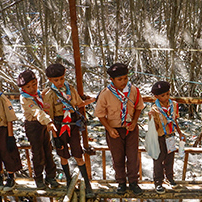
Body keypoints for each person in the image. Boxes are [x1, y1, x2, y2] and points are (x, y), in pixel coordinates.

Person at [42, 63, 95, 192]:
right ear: (50, 80)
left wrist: (92, 100)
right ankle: (68, 181)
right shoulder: (49, 94)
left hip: (73, 123)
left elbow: (78, 103)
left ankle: (87, 183)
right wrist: (56, 138)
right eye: (56, 80)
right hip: (59, 125)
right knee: (63, 154)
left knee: (78, 153)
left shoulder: (70, 88)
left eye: (62, 78)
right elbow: (50, 119)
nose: (60, 82)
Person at [95, 63, 144, 195]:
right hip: (114, 130)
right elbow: (100, 114)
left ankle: (133, 182)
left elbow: (139, 107)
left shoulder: (134, 90)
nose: (123, 82)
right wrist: (109, 129)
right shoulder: (105, 94)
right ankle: (121, 182)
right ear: (112, 80)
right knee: (118, 157)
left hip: (131, 128)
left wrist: (134, 122)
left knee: (133, 157)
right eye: (119, 79)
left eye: (125, 78)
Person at [18, 69, 60, 190]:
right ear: (23, 88)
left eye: (34, 84)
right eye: (28, 87)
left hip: (43, 125)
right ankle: (39, 178)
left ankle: (51, 176)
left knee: (48, 150)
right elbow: (37, 111)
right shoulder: (25, 98)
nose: (32, 88)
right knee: (38, 153)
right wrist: (49, 121)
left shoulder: (39, 94)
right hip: (33, 126)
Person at [148, 81, 185, 193]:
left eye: (168, 94)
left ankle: (170, 178)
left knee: (170, 158)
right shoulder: (154, 109)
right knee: (158, 159)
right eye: (163, 95)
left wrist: (180, 133)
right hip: (160, 137)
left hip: (171, 136)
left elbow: (175, 120)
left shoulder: (173, 105)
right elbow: (152, 126)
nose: (166, 97)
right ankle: (158, 182)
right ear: (156, 96)